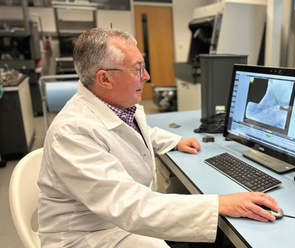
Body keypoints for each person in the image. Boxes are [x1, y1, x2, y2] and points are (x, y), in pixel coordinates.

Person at [37, 27, 280, 247]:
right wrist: (219, 203)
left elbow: (135, 133)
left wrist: (174, 141)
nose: (147, 76)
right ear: (104, 78)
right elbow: (130, 206)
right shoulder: (72, 133)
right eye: (137, 69)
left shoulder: (116, 107)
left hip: (118, 220)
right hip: (91, 236)